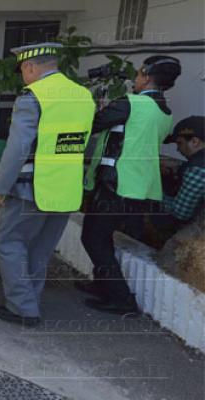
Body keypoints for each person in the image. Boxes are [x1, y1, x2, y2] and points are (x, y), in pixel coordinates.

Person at [0, 43, 96, 326]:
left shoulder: (33, 97)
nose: (24, 76)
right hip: (66, 189)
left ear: (30, 67)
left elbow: (17, 149)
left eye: (23, 70)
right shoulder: (83, 95)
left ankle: (23, 309)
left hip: (29, 189)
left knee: (10, 245)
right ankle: (30, 302)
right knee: (40, 250)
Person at [78, 55, 181, 315]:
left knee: (93, 238)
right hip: (140, 186)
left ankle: (122, 299)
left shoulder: (131, 104)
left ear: (146, 76)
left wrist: (98, 103)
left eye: (138, 74)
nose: (135, 79)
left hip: (118, 184)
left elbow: (94, 123)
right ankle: (103, 286)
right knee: (101, 237)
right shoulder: (165, 112)